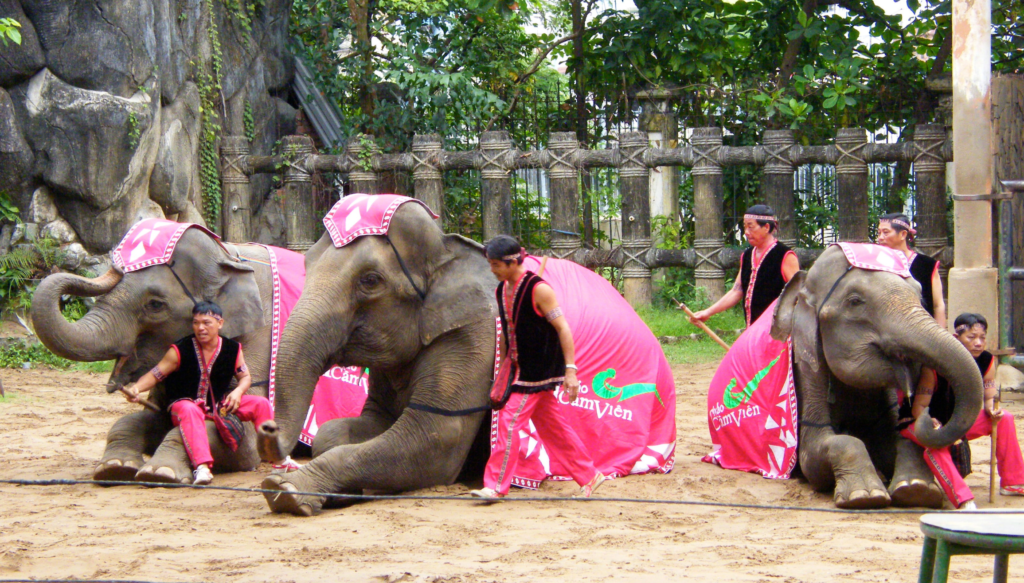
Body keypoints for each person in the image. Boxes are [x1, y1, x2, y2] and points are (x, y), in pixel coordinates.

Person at [470, 235, 605, 501]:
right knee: (554, 430)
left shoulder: (539, 289)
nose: (492, 269)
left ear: (511, 262)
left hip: (536, 373)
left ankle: (496, 486)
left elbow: (563, 328)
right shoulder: (502, 289)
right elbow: (510, 332)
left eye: (496, 264)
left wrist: (571, 371)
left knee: (508, 425)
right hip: (521, 370)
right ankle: (589, 476)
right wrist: (504, 369)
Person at [123, 301, 281, 485]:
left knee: (261, 404)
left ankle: (277, 458)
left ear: (220, 323)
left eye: (206, 323)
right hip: (184, 405)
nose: (200, 328)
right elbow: (156, 374)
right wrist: (137, 388)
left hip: (217, 406)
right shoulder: (179, 350)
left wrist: (238, 392)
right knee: (190, 410)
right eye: (196, 323)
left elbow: (245, 376)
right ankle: (202, 467)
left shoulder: (232, 349)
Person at [898, 313, 1024, 510]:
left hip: (956, 420)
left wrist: (992, 409)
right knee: (936, 442)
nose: (978, 343)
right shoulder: (935, 366)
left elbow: (989, 396)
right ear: (956, 338)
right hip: (919, 421)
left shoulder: (987, 361)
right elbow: (919, 408)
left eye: (982, 337)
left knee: (1004, 418)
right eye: (971, 337)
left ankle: (1014, 482)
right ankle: (963, 499)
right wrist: (931, 422)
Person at [688, 204, 800, 327]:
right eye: (745, 227)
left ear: (766, 227)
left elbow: (798, 295)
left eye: (751, 227)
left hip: (777, 332)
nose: (746, 232)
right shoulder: (747, 256)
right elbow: (737, 290)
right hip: (752, 329)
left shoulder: (785, 255)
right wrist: (707, 312)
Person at [876, 213, 946, 328]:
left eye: (886, 232)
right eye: (879, 233)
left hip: (921, 330)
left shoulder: (927, 265)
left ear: (903, 234)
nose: (880, 237)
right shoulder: (876, 264)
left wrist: (942, 339)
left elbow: (938, 305)